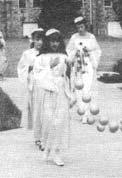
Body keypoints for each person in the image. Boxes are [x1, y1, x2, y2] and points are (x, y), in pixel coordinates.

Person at [33, 29, 73, 166]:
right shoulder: (41, 58)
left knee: (59, 122)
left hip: (61, 92)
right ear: (47, 42)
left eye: (57, 41)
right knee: (49, 120)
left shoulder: (64, 56)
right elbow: (37, 76)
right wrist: (50, 67)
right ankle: (46, 148)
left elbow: (68, 75)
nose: (54, 44)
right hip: (48, 92)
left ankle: (56, 152)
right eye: (52, 41)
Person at [66, 16, 102, 124]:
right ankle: (82, 111)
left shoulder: (91, 37)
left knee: (87, 88)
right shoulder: (74, 37)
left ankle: (87, 113)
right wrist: (75, 53)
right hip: (77, 65)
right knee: (78, 88)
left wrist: (89, 52)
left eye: (81, 26)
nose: (80, 29)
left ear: (85, 26)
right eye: (78, 27)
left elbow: (97, 51)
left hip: (88, 65)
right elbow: (69, 50)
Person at [17, 28, 45, 147]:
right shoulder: (28, 54)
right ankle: (38, 136)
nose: (40, 42)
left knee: (46, 110)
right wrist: (30, 67)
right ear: (33, 40)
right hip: (34, 85)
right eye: (37, 39)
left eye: (42, 40)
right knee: (36, 110)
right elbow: (21, 68)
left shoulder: (47, 53)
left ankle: (46, 134)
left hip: (45, 84)